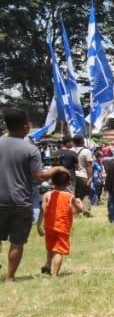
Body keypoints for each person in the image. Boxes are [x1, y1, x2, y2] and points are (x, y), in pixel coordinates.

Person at [0, 108, 53, 282]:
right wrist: (56, 170)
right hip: (19, 201)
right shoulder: (30, 150)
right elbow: (38, 178)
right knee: (17, 241)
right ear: (25, 126)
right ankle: (10, 277)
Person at [39, 168, 84, 276]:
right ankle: (54, 275)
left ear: (52, 182)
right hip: (63, 228)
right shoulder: (70, 197)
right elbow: (79, 209)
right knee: (59, 251)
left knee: (50, 247)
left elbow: (42, 209)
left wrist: (39, 225)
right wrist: (80, 203)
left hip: (49, 226)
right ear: (68, 183)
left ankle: (48, 266)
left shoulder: (47, 195)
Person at [72, 136, 92, 216]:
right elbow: (89, 166)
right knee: (85, 193)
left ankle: (75, 211)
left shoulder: (71, 150)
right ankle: (86, 210)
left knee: (75, 194)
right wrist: (90, 177)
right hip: (83, 175)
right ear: (82, 142)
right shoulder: (86, 151)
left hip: (73, 175)